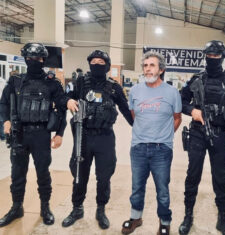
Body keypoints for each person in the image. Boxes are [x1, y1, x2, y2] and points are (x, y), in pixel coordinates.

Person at [0, 43, 70, 226]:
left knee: (43, 173)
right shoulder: (16, 81)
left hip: (41, 134)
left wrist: (59, 134)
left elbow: (62, 109)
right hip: (19, 133)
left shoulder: (52, 83)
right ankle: (17, 207)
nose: (34, 62)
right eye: (30, 58)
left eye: (38, 59)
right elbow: (4, 104)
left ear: (43, 60)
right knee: (17, 174)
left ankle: (45, 207)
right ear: (25, 59)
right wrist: (5, 121)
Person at [62, 50, 133, 230]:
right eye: (93, 61)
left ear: (107, 66)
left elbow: (126, 110)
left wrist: (139, 128)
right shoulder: (79, 82)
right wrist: (68, 101)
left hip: (105, 138)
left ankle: (100, 210)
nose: (96, 64)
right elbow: (64, 97)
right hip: (83, 137)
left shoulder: (114, 87)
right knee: (79, 175)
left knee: (104, 177)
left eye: (100, 62)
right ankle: (77, 209)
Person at [179, 40, 225, 235]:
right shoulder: (196, 79)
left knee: (221, 178)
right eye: (210, 56)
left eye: (217, 56)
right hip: (198, 134)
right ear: (205, 56)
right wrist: (192, 111)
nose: (213, 59)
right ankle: (188, 215)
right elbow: (181, 101)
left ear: (223, 58)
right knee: (192, 176)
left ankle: (222, 219)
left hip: (220, 135)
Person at [121, 51, 182, 235]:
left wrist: (165, 137)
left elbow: (177, 118)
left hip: (161, 150)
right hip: (138, 147)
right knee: (137, 187)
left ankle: (164, 221)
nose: (148, 69)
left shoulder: (172, 92)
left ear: (161, 69)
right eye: (145, 65)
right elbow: (134, 116)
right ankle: (135, 217)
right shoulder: (135, 91)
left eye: (152, 65)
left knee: (162, 189)